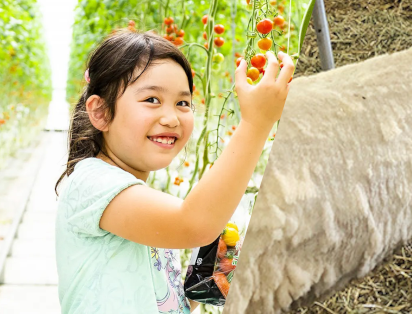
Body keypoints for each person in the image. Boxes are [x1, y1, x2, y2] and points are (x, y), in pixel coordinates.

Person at [54, 31, 292, 313]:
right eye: (152, 99)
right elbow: (194, 225)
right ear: (102, 112)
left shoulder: (143, 196)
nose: (170, 118)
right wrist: (256, 124)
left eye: (182, 103)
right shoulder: (91, 182)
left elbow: (171, 300)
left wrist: (216, 267)